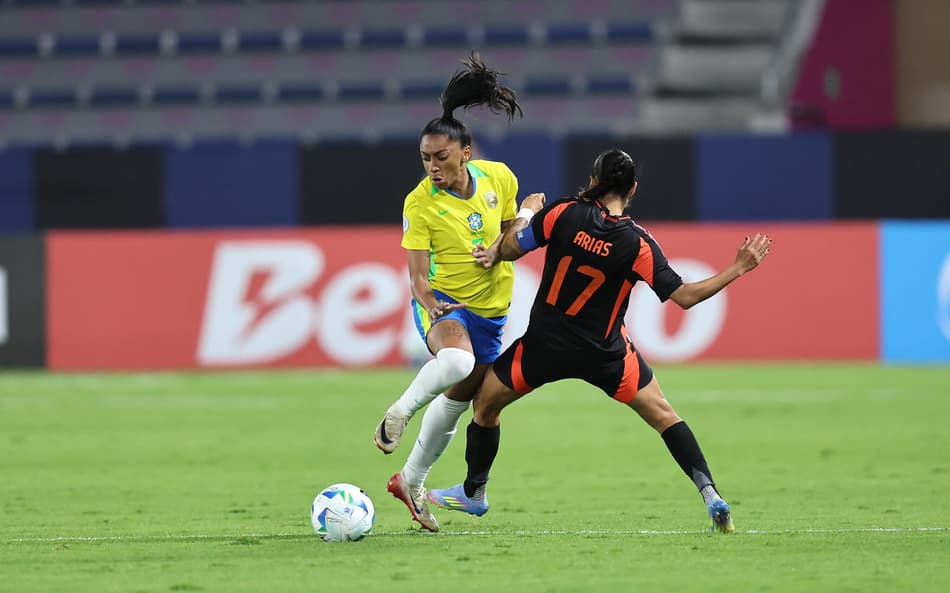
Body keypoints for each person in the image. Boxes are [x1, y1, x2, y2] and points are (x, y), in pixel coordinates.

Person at [427, 148, 772, 533]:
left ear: (593, 181)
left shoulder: (563, 213)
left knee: (485, 406)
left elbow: (508, 249)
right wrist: (739, 267)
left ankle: (475, 492)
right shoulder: (637, 243)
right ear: (633, 189)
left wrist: (525, 213)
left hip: (543, 347)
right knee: (664, 416)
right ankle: (711, 495)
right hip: (605, 352)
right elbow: (685, 297)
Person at [372, 52, 542, 533]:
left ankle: (410, 480)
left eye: (441, 157)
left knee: (457, 401)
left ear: (466, 153)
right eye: (425, 158)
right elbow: (418, 279)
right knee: (459, 364)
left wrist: (516, 229)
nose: (432, 166)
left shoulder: (500, 178)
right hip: (445, 306)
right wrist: (430, 306)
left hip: (492, 314)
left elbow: (513, 239)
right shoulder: (419, 203)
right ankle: (398, 413)